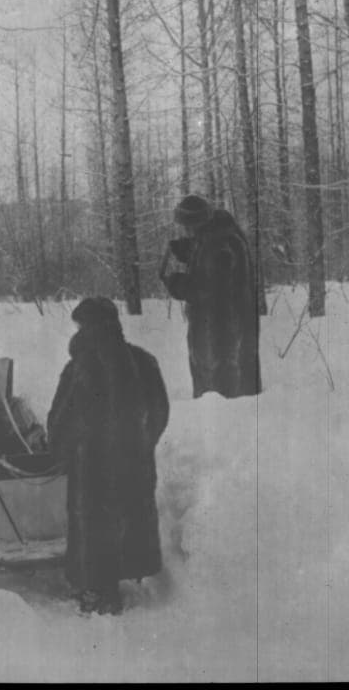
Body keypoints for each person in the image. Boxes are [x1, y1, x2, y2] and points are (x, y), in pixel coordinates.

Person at [47, 297, 169, 615]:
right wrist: (142, 443)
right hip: (134, 465)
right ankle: (120, 575)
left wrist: (63, 451)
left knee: (93, 524)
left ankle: (97, 591)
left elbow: (61, 418)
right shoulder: (144, 361)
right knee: (129, 516)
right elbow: (160, 411)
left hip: (92, 467)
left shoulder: (79, 368)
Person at [161, 194, 262, 399]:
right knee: (236, 390)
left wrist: (177, 284)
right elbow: (214, 268)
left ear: (195, 224)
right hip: (231, 327)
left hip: (221, 334)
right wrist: (189, 250)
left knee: (221, 398)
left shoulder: (217, 245)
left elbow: (208, 289)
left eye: (186, 226)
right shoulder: (221, 236)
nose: (184, 230)